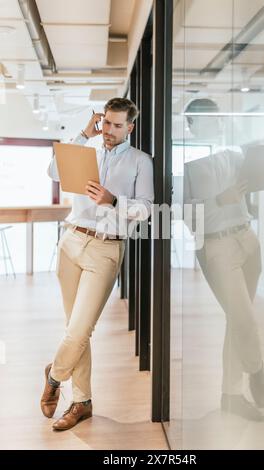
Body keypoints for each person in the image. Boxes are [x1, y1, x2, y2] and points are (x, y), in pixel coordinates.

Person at [41, 97, 154, 431]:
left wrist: (113, 200)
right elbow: (53, 171)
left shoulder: (140, 161)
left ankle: (54, 376)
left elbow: (146, 208)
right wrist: (81, 133)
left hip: (106, 248)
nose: (109, 130)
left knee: (80, 330)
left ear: (130, 127)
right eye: (105, 122)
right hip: (72, 241)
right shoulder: (86, 149)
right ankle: (82, 402)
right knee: (74, 330)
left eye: (117, 125)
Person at [184, 98, 264, 421]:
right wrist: (220, 199)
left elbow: (253, 183)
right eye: (209, 118)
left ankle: (231, 395)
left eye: (218, 116)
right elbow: (184, 215)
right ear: (191, 126)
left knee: (237, 319)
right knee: (244, 318)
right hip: (217, 246)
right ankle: (256, 368)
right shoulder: (186, 164)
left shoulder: (234, 154)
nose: (218, 121)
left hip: (247, 239)